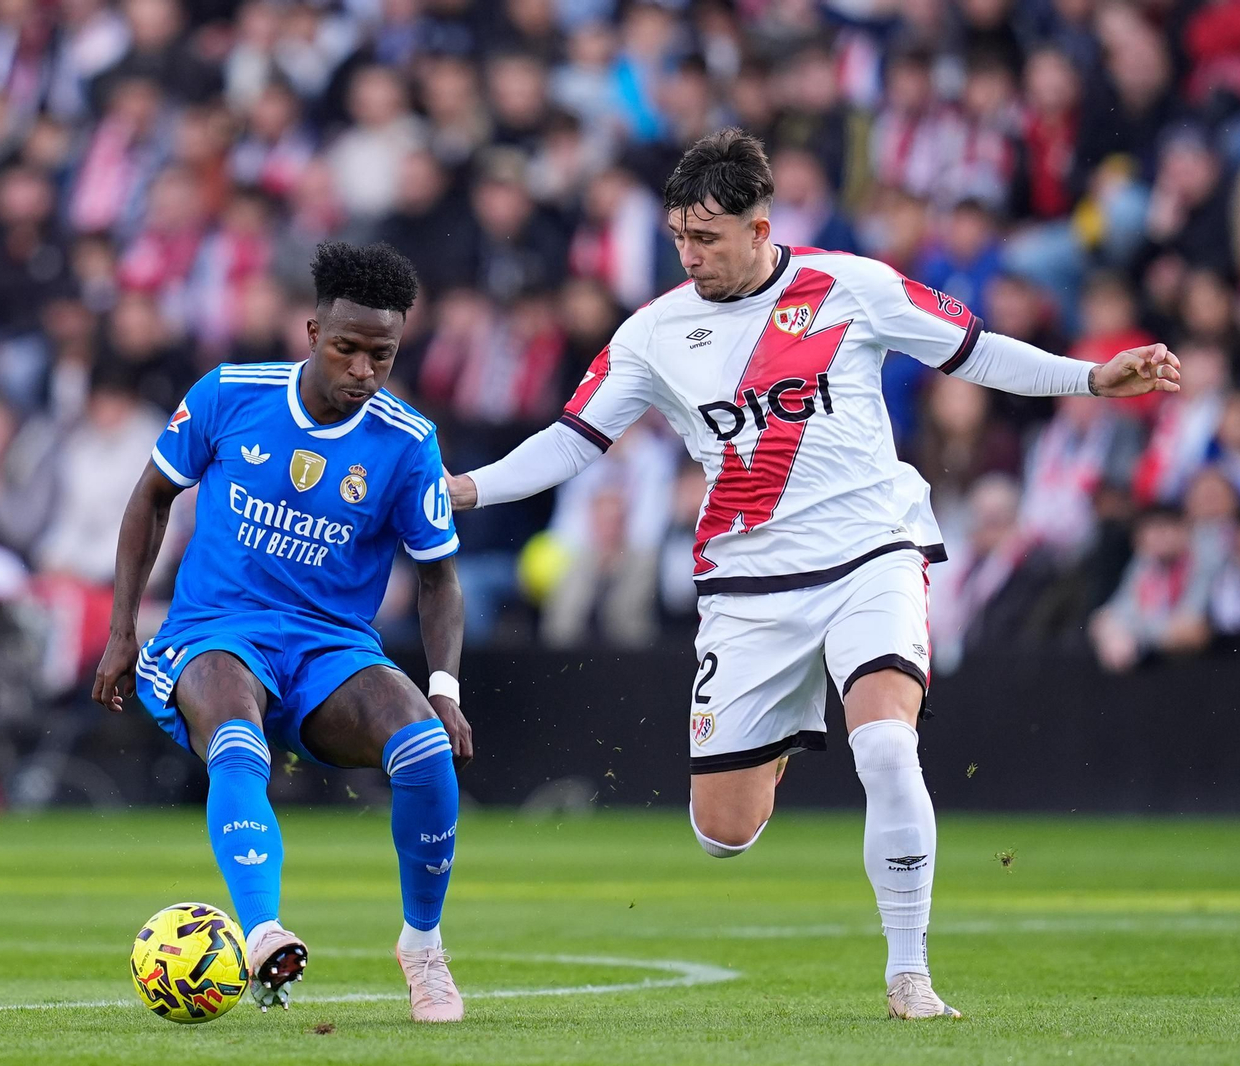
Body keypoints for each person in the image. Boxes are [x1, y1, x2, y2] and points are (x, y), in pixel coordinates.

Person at [446, 129, 1182, 1021]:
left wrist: (1091, 379)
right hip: (750, 589)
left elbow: (973, 349)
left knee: (885, 745)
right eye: (681, 237)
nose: (690, 255)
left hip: (872, 552)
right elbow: (572, 439)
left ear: (762, 227)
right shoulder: (654, 332)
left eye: (707, 238)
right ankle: (780, 734)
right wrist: (468, 489)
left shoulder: (853, 286)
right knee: (724, 833)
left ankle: (909, 974)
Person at [91, 242, 471, 1023]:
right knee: (236, 734)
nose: (364, 370)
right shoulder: (229, 394)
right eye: (348, 349)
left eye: (383, 355)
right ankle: (262, 933)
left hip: (329, 648)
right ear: (311, 332)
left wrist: (445, 689)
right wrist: (122, 629)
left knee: (426, 750)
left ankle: (423, 946)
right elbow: (150, 499)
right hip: (214, 631)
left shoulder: (407, 443)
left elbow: (438, 575)